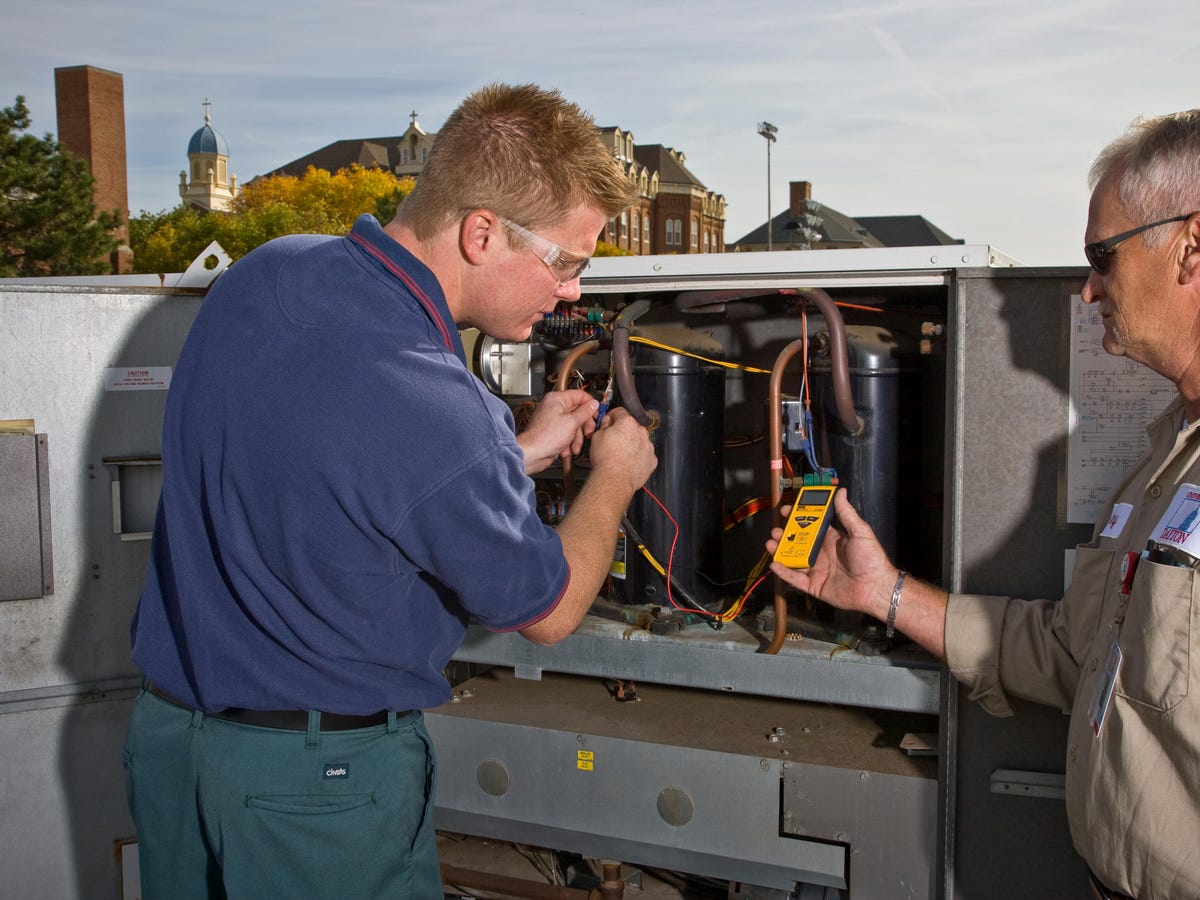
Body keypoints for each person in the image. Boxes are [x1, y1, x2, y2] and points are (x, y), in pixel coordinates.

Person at [124, 82, 657, 899]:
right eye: (567, 261)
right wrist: (617, 473)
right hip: (312, 791)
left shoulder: (267, 275)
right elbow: (548, 612)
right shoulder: (436, 403)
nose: (575, 291)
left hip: (172, 747)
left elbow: (337, 475)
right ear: (482, 232)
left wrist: (514, 453)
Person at [769, 109, 1200, 900]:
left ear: (1191, 245)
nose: (1088, 287)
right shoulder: (1165, 460)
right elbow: (1073, 656)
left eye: (1102, 257)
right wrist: (884, 593)